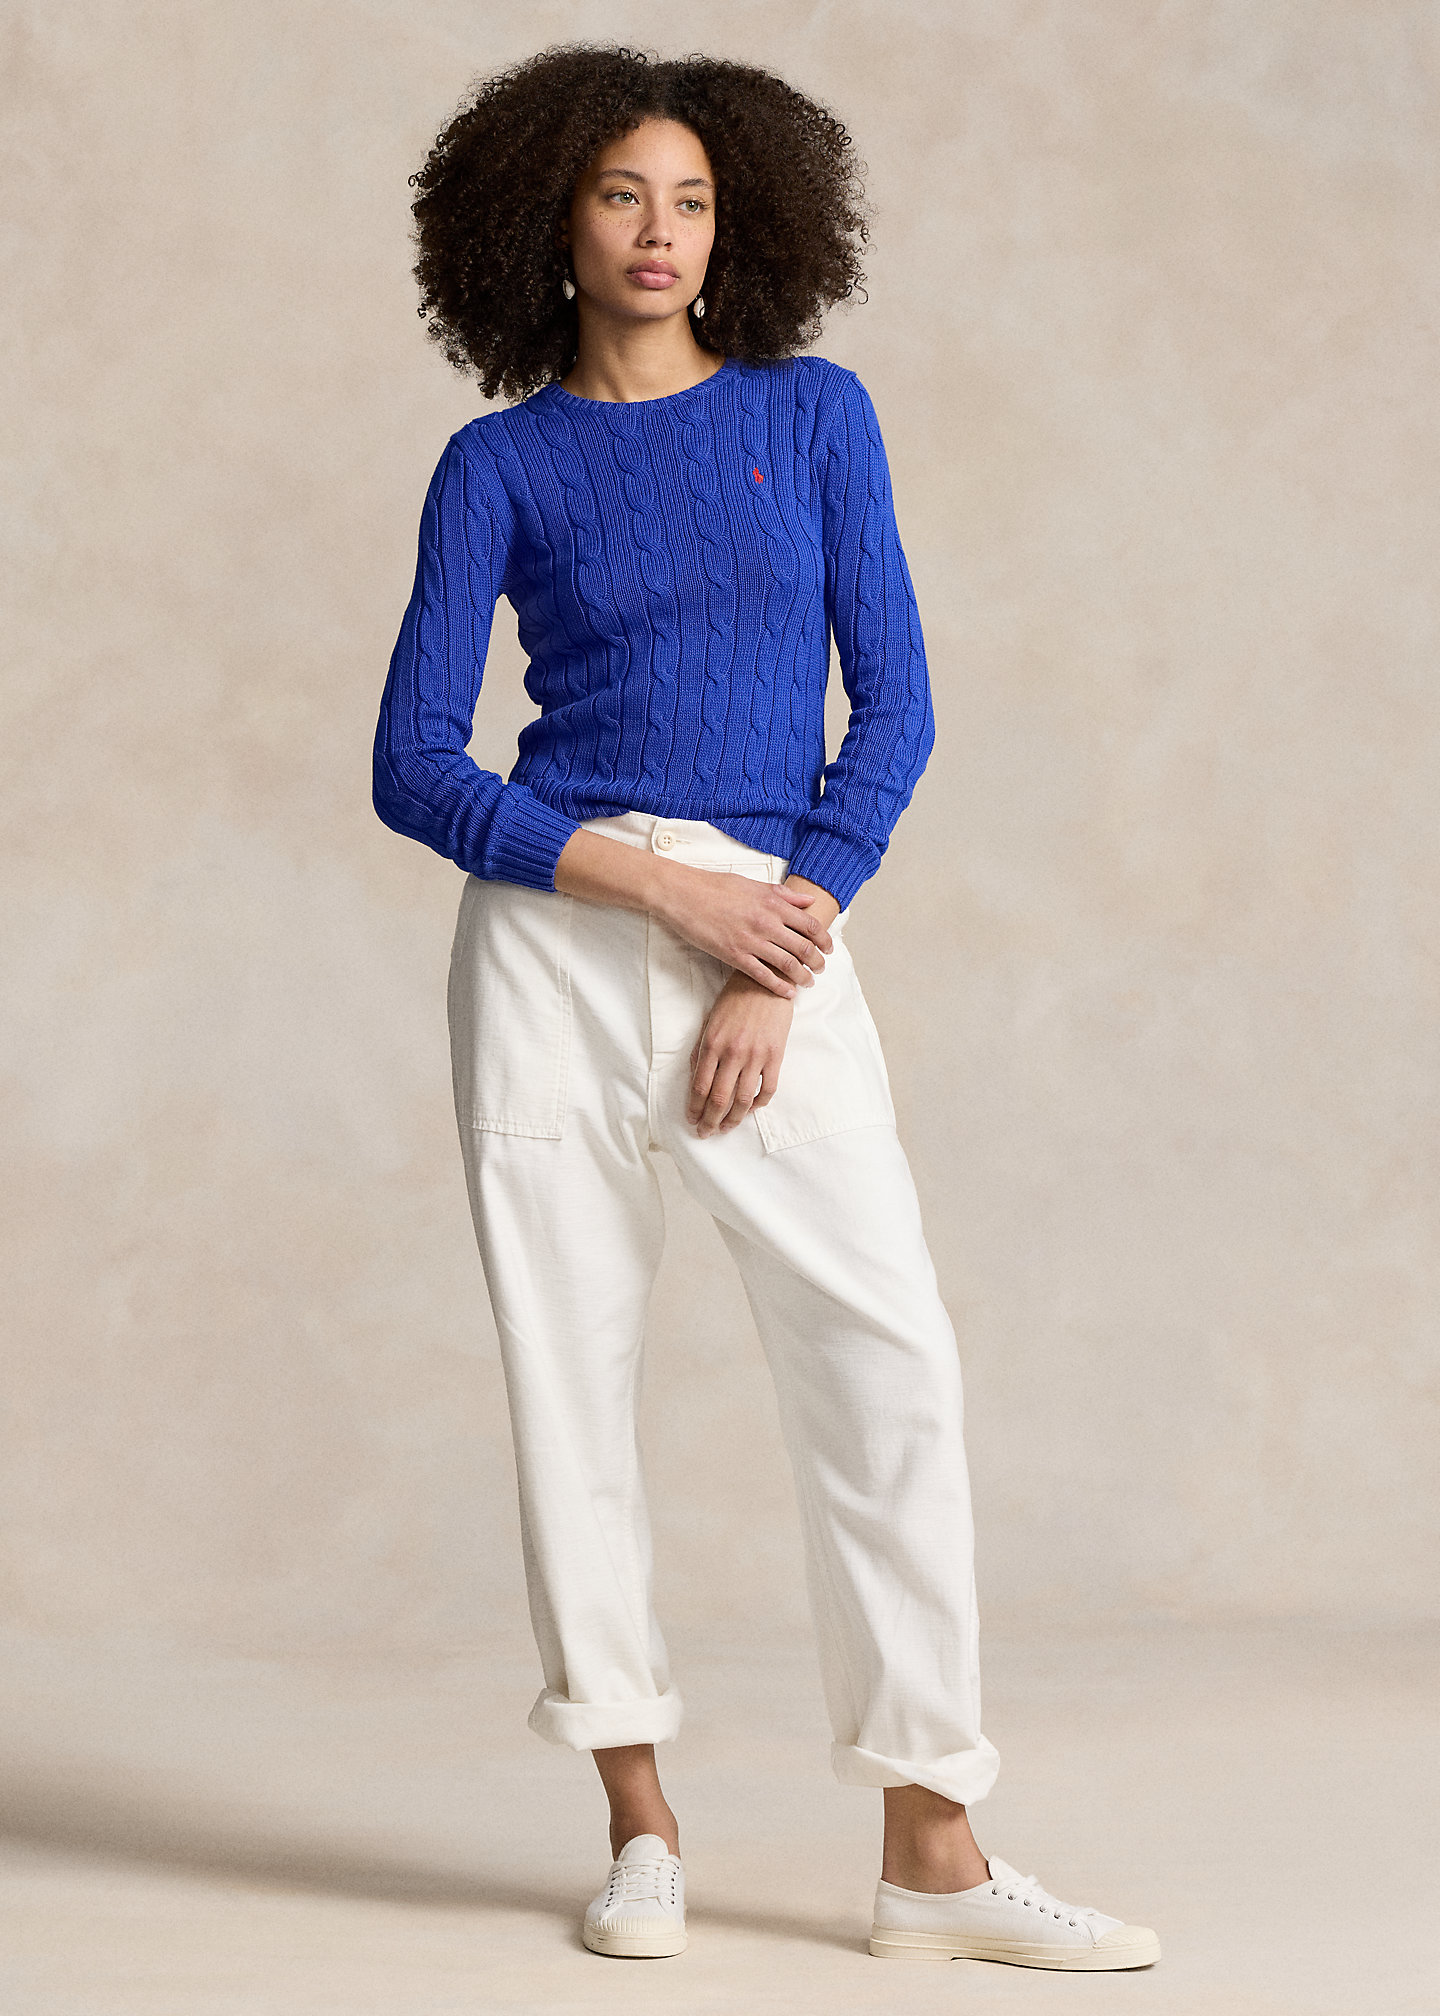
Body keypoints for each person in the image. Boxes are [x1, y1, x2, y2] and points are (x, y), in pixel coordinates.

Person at [373, 43, 1159, 1973]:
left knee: (885, 1360)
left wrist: (769, 944)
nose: (661, 233)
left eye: (695, 201)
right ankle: (638, 1827)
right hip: (556, 945)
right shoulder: (497, 465)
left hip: (772, 938)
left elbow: (895, 708)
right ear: (550, 221)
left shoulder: (813, 416)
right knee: (570, 1378)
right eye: (622, 195)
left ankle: (935, 1851)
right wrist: (657, 890)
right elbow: (413, 763)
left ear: (742, 227)